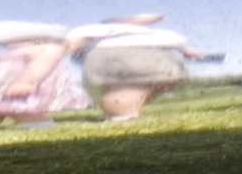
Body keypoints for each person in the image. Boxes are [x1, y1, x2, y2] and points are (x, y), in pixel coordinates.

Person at [68, 15, 204, 121]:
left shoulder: (152, 32)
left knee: (130, 87)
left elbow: (182, 47)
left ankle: (119, 111)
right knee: (136, 86)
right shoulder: (98, 28)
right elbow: (74, 41)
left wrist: (190, 51)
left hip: (136, 57)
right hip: (131, 56)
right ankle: (123, 112)